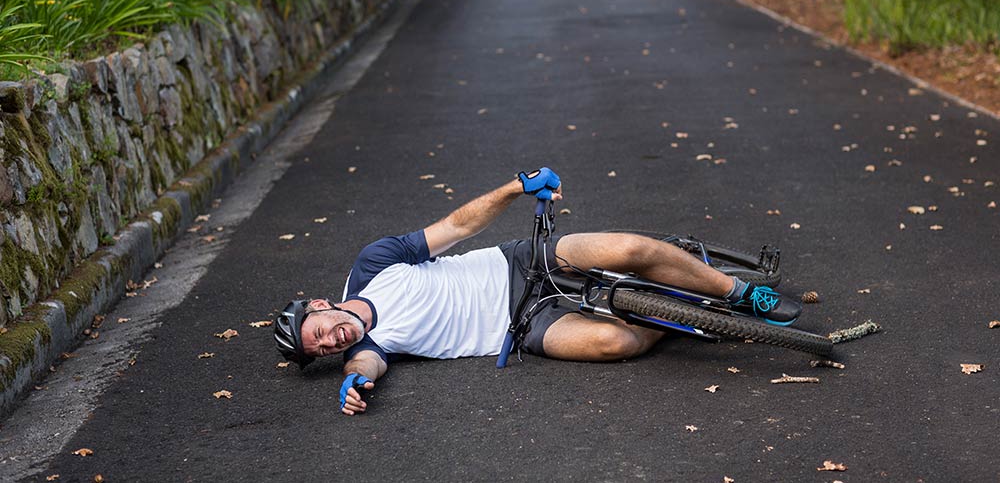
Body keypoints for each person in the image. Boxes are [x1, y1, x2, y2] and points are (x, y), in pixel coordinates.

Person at [274, 168, 801, 416]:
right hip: (521, 327)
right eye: (321, 350)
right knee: (614, 345)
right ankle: (686, 311)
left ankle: (737, 295)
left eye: (319, 332)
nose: (330, 342)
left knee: (626, 249)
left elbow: (456, 227)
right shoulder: (370, 347)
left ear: (320, 305)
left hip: (515, 262)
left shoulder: (373, 265)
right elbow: (365, 367)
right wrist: (353, 385)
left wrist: (514, 188)